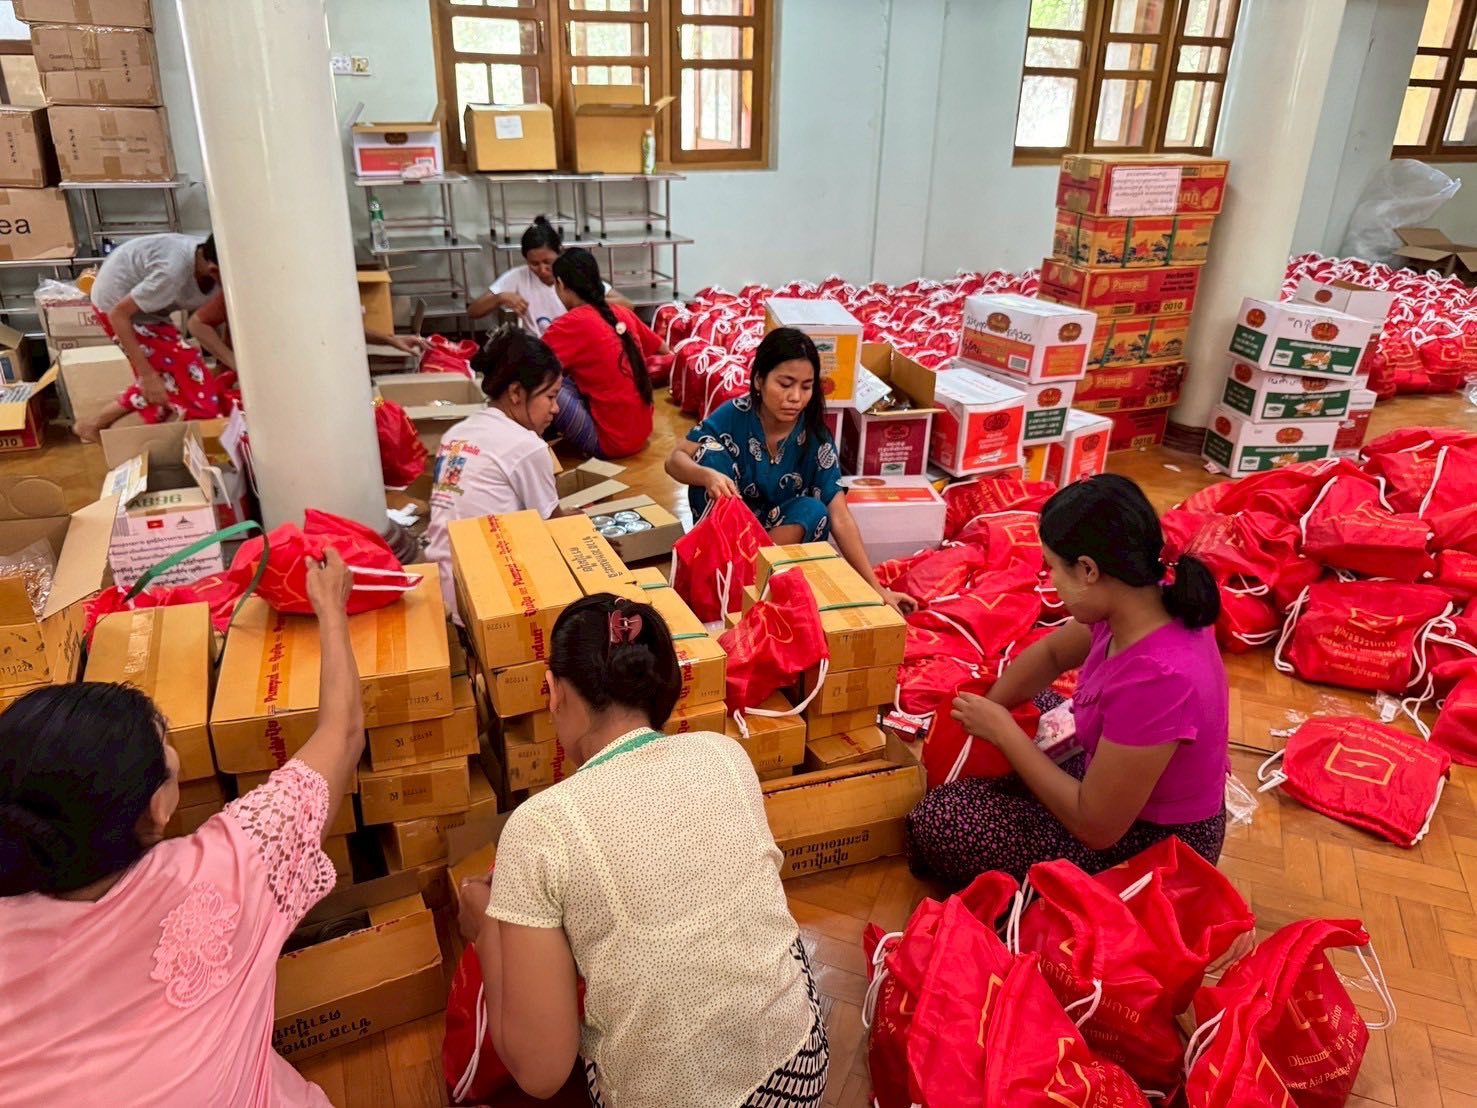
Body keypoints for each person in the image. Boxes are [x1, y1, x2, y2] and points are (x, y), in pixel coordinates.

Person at [0, 551, 361, 1106]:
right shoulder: (224, 875)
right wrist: (331, 609)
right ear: (156, 812)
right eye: (166, 748)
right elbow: (342, 732)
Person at [456, 593, 828, 1108]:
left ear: (554, 693)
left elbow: (540, 1071)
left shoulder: (538, 827)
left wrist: (485, 932)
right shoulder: (724, 754)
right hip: (801, 1069)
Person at [906, 474, 1229, 886]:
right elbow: (1052, 654)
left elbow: (1097, 828)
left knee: (945, 820)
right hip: (1116, 786)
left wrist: (1005, 733)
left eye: (1054, 567)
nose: (1050, 581)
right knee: (1029, 704)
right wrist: (992, 709)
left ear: (1089, 570)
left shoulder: (1159, 678)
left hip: (1154, 847)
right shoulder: (1139, 598)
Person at [666, 327, 915, 614]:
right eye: (785, 384)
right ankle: (726, 575)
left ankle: (751, 582)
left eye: (806, 387)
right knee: (710, 456)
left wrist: (876, 587)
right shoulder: (734, 414)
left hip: (775, 542)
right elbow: (674, 460)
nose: (795, 397)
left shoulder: (814, 436)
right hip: (727, 539)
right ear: (759, 380)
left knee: (815, 509)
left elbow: (840, 516)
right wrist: (707, 476)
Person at [425, 327, 566, 617]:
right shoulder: (527, 446)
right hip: (485, 599)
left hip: (440, 586)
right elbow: (557, 529)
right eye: (550, 396)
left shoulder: (457, 433)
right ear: (516, 392)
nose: (556, 408)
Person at [73, 233, 238, 442]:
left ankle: (96, 425)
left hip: (148, 312)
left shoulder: (208, 261)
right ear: (215, 271)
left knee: (173, 380)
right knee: (196, 390)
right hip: (117, 308)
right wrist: (147, 375)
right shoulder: (171, 274)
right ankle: (210, 452)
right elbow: (118, 314)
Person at [541, 248, 666, 460]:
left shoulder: (569, 324)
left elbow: (530, 369)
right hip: (642, 432)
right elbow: (663, 348)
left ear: (561, 284)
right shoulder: (621, 313)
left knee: (544, 386)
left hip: (612, 444)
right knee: (566, 378)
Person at [187, 288, 431, 370]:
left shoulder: (306, 288)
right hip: (248, 386)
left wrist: (391, 340)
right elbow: (197, 323)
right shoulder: (241, 289)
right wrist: (233, 362)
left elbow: (337, 327)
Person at [469, 217, 631, 336]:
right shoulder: (518, 276)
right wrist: (500, 298)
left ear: (559, 252)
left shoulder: (573, 273)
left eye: (548, 262)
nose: (542, 269)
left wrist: (587, 301)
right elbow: (473, 311)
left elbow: (627, 305)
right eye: (534, 263)